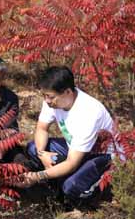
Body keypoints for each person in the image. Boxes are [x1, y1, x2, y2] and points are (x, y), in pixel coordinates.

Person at [19, 66, 115, 201]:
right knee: (33, 148)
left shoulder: (89, 113)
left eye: (51, 97)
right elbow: (42, 128)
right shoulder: (52, 101)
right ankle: (57, 180)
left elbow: (72, 162)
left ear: (68, 92)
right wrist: (42, 154)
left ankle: (99, 193)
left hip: (101, 156)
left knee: (71, 187)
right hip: (75, 149)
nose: (47, 101)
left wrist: (37, 176)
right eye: (45, 96)